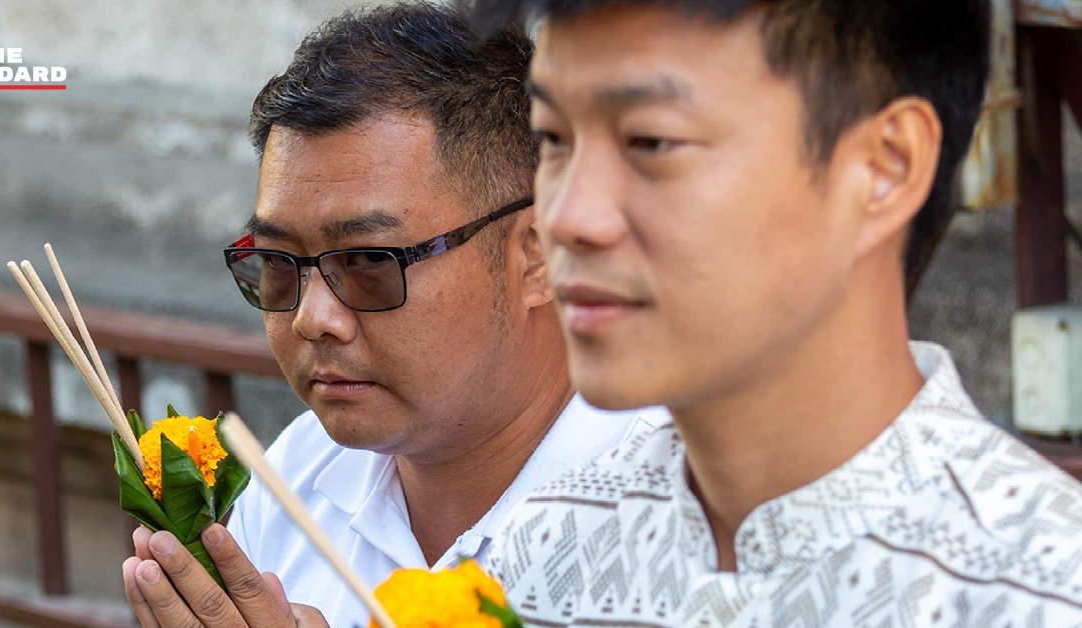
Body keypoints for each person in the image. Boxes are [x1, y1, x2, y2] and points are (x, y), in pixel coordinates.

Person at [470, 0, 1082, 625]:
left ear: (885, 166)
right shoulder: (542, 555)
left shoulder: (1041, 590)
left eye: (651, 141)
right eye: (552, 138)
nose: (567, 218)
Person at [120, 3, 665, 627]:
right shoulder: (300, 473)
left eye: (370, 262)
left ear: (540, 258)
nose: (312, 318)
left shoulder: (684, 522)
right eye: (277, 261)